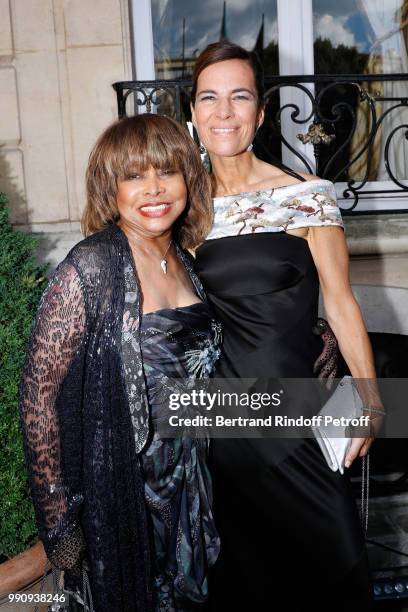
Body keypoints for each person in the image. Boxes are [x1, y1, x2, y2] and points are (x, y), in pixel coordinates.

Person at [190, 41, 381, 611]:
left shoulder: (307, 198)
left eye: (239, 96)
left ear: (261, 112)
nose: (224, 112)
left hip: (297, 419)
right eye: (210, 98)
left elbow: (342, 302)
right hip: (216, 431)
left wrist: (370, 399)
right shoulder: (177, 207)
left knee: (333, 565)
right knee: (245, 584)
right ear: (194, 113)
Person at [19, 114, 222, 612]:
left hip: (193, 486)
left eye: (166, 172)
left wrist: (316, 338)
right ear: (110, 189)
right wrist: (59, 521)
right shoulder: (88, 269)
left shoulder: (187, 262)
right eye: (134, 176)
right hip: (125, 494)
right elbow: (38, 400)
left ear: (188, 180)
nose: (153, 189)